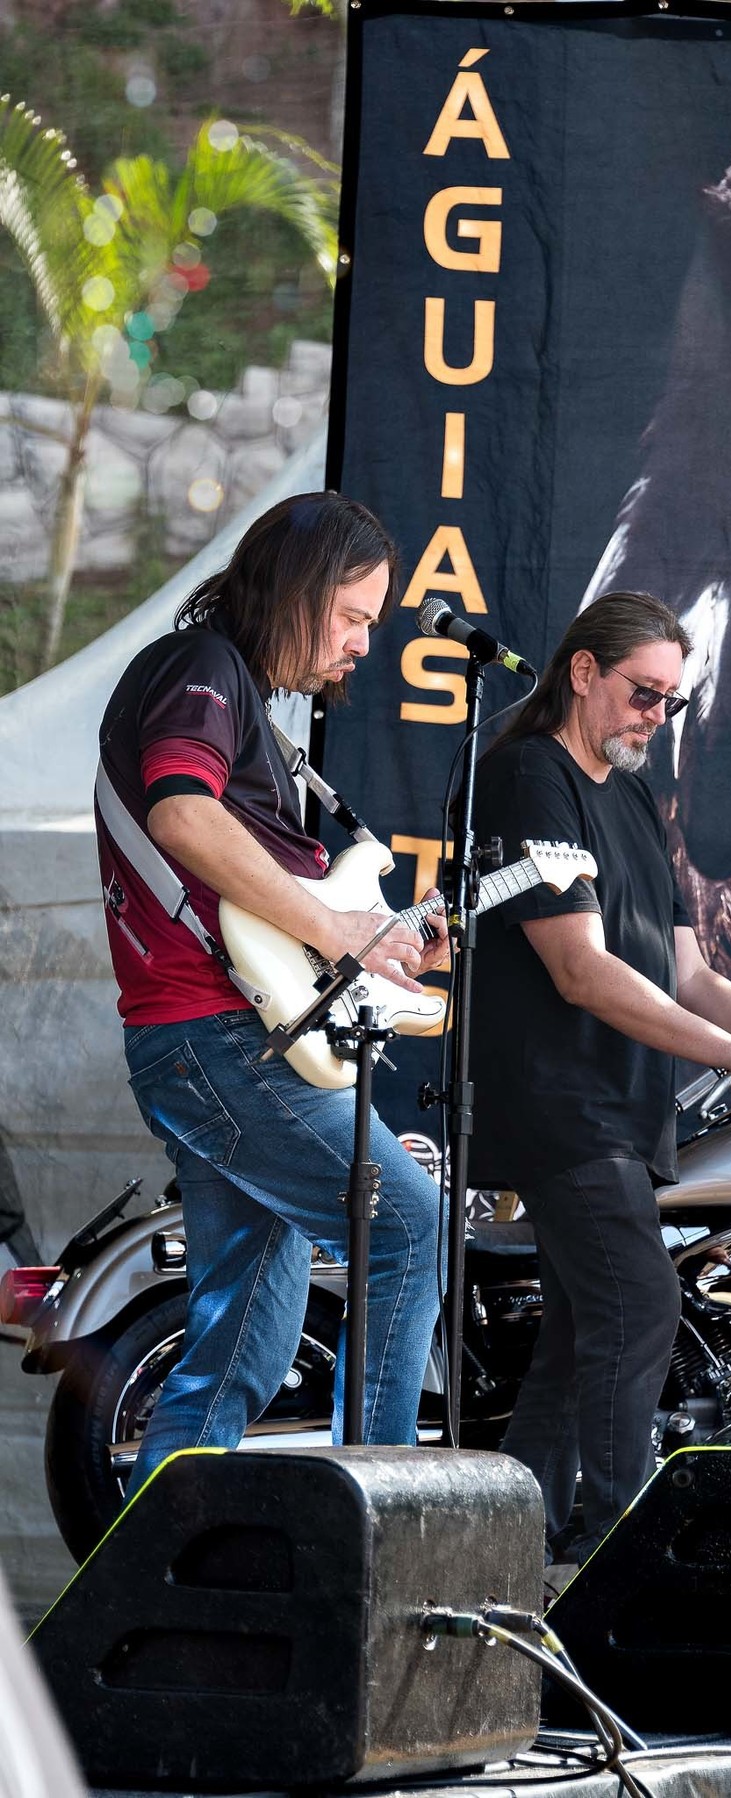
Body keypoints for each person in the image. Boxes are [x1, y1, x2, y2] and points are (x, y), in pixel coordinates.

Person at [96, 491, 447, 1499]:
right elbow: (180, 814)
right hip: (216, 1041)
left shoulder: (236, 694)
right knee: (409, 1225)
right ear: (297, 591)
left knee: (241, 1343)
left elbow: (252, 887)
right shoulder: (200, 672)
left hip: (217, 1040)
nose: (364, 643)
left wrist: (365, 940)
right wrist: (335, 928)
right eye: (354, 615)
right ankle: (381, 1511)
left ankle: (154, 1568)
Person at [469, 589, 731, 1572]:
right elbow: (579, 968)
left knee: (581, 1334)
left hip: (621, 1109)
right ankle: (609, 1554)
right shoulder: (526, 776)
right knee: (639, 1303)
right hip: (553, 1102)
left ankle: (505, 1544)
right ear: (583, 671)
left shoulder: (628, 794)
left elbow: (689, 972)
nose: (655, 717)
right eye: (642, 693)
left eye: (671, 700)